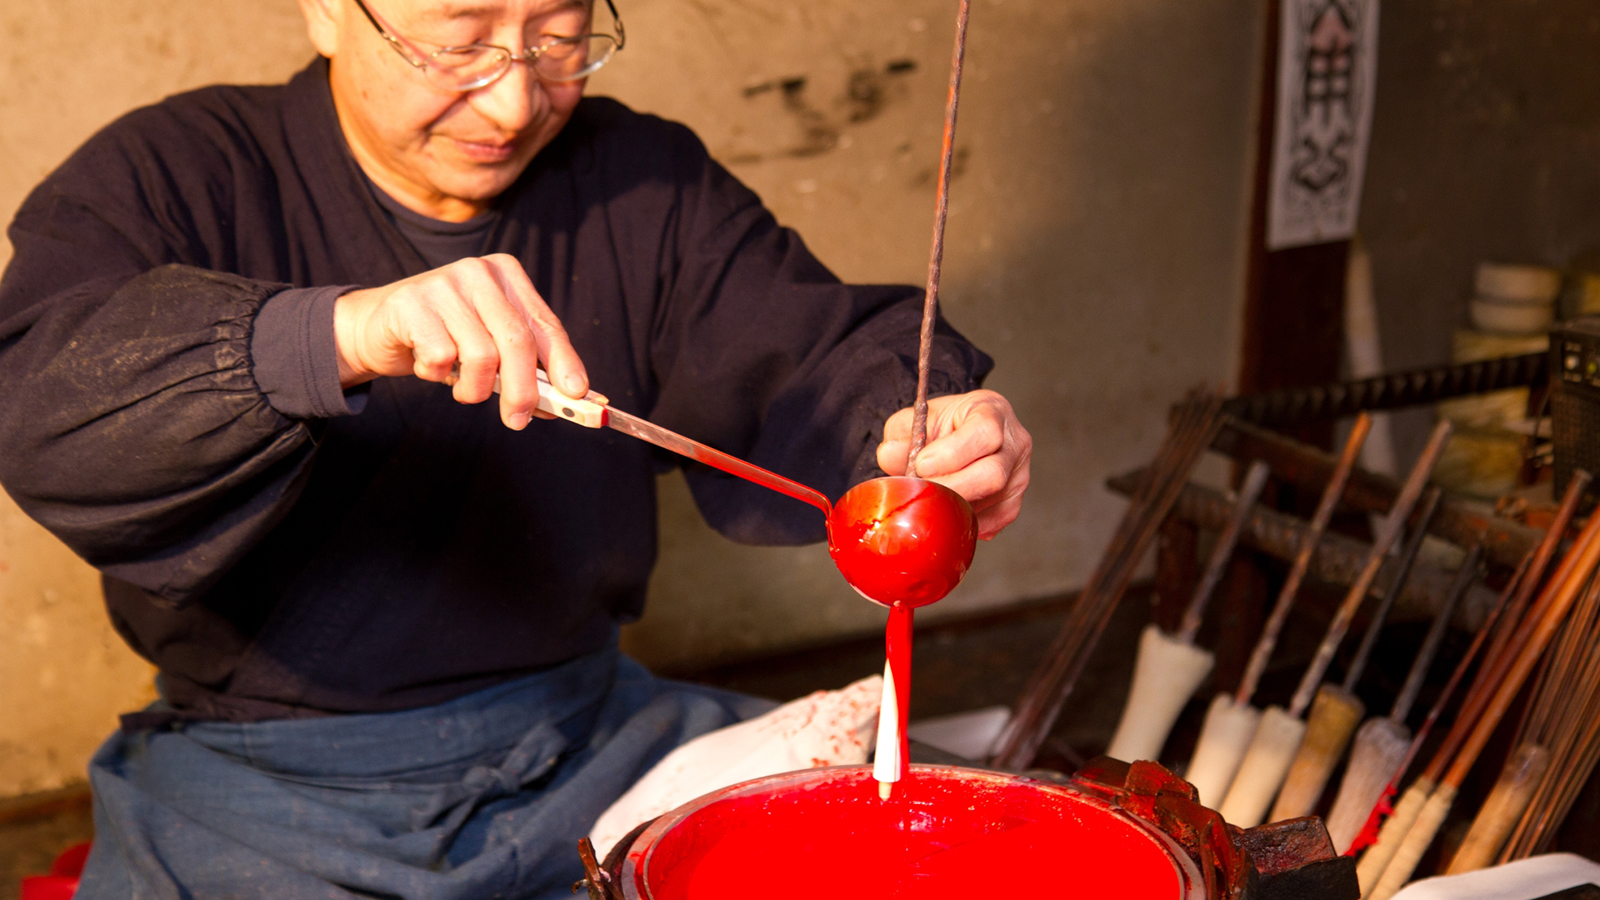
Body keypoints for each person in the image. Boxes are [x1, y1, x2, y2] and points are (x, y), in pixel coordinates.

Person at [0, 0, 1033, 896]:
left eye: (557, 42)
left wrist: (910, 423)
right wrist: (345, 334)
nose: (511, 105)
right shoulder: (180, 172)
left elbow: (811, 348)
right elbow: (40, 403)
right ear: (327, 12)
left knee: (969, 845)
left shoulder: (642, 181)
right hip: (265, 785)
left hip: (592, 739)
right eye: (457, 43)